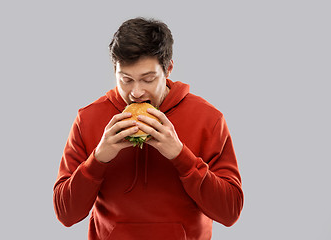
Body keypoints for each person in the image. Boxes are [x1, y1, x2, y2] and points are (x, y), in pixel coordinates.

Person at [53, 17, 244, 240]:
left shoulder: (209, 118)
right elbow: (66, 215)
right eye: (126, 79)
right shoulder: (88, 118)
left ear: (168, 69)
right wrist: (98, 159)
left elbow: (230, 213)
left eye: (148, 79)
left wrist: (180, 156)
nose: (136, 92)